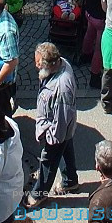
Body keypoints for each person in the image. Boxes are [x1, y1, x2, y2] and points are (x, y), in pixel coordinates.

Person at [26, 43, 78, 208]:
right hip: (63, 128)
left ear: (50, 64)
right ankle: (70, 180)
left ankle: (38, 195)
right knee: (66, 148)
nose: (36, 66)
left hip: (55, 130)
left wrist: (50, 139)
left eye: (39, 63)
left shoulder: (61, 88)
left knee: (49, 160)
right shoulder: (61, 63)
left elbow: (60, 123)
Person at [78, 0, 112, 90]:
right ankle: (94, 75)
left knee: (89, 34)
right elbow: (105, 7)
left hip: (88, 13)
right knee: (99, 48)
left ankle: (85, 54)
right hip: (100, 18)